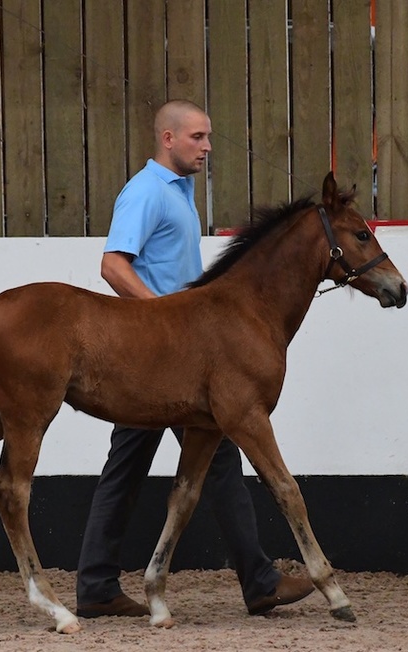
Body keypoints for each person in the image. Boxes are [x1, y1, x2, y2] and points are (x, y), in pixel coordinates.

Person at [75, 99, 315, 618]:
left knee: (204, 464)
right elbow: (112, 265)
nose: (207, 147)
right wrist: (160, 320)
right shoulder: (146, 192)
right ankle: (253, 582)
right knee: (146, 468)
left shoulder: (179, 193)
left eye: (207, 137)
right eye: (197, 137)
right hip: (156, 358)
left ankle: (100, 585)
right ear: (168, 139)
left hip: (185, 356)